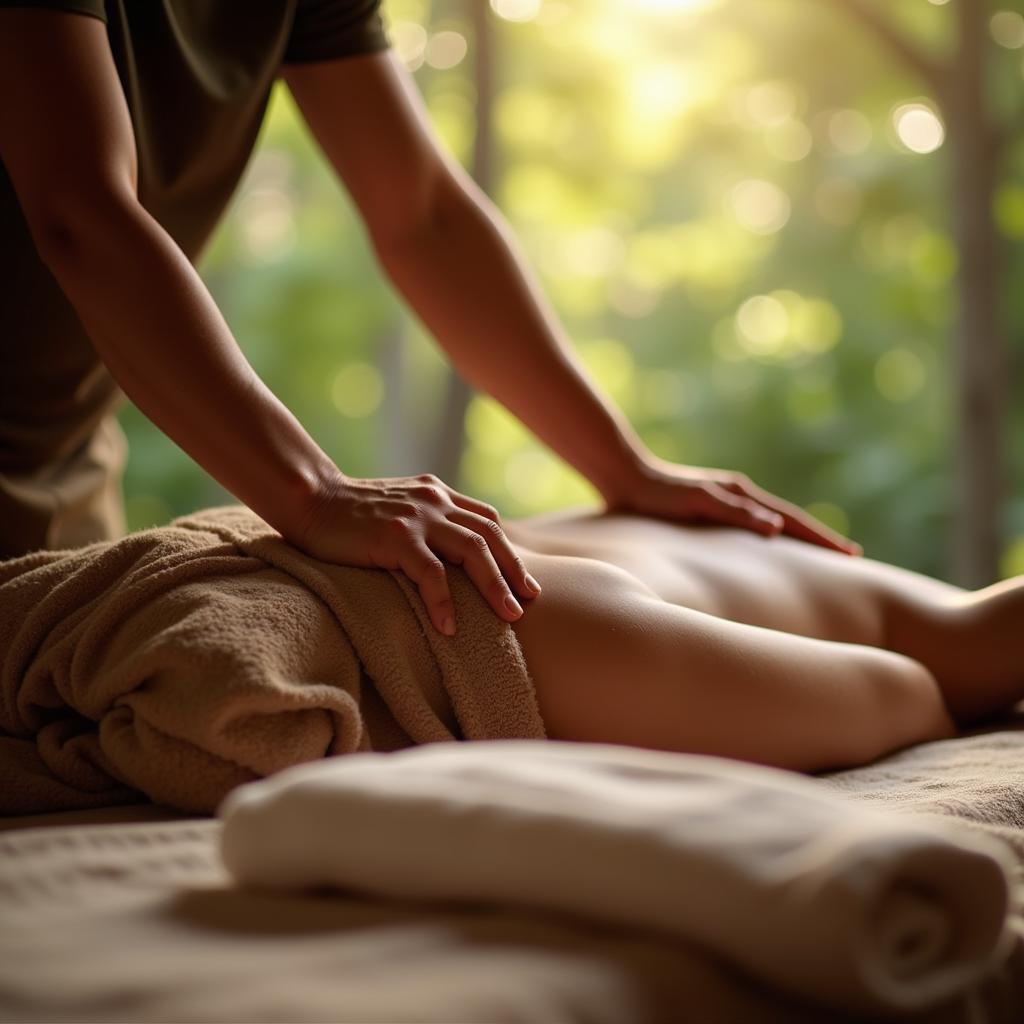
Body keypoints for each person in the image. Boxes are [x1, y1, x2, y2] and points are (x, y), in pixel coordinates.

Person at [0, 0, 858, 640]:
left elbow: (423, 217)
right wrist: (314, 494)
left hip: (64, 472)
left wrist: (622, 467)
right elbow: (79, 208)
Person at [502, 507, 1018, 774]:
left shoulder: (544, 643)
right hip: (636, 551)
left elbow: (911, 692)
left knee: (967, 646)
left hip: (823, 599)